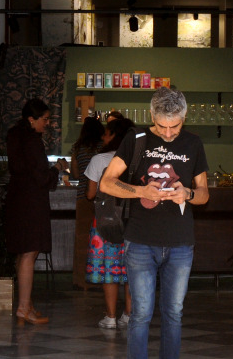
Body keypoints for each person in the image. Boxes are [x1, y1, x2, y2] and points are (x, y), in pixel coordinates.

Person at [99, 87, 209, 359]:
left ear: (184, 118)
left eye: (176, 126)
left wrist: (188, 194)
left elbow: (204, 194)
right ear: (152, 116)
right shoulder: (135, 139)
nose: (169, 133)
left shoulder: (193, 143)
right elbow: (106, 182)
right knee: (141, 314)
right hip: (140, 241)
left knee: (174, 313)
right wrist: (140, 191)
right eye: (162, 126)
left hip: (181, 243)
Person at [4, 98, 69, 325]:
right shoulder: (32, 141)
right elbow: (41, 177)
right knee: (30, 253)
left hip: (17, 199)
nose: (48, 123)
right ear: (31, 119)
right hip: (31, 202)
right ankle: (23, 307)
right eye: (45, 119)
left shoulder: (15, 137)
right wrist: (58, 168)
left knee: (23, 253)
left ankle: (26, 304)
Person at [84, 116, 136, 329]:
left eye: (107, 132)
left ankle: (111, 317)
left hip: (105, 221)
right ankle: (129, 315)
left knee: (109, 269)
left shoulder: (100, 160)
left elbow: (90, 194)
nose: (104, 136)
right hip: (134, 221)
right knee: (133, 270)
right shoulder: (137, 158)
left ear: (115, 135)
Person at [69, 116, 105, 287]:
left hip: (82, 197)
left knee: (81, 239)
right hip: (101, 198)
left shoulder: (77, 148)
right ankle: (98, 278)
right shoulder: (103, 147)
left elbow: (75, 174)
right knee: (101, 239)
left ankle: (79, 280)